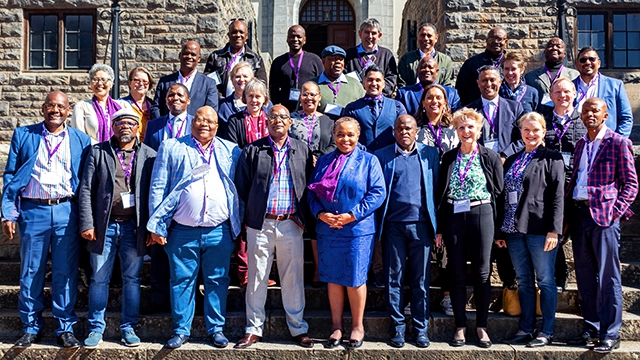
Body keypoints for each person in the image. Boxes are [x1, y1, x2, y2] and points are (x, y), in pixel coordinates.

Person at [146, 106, 242, 349]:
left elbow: (237, 189)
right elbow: (158, 186)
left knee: (218, 279)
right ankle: (181, 330)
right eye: (199, 119)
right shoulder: (172, 147)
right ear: (191, 122)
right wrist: (156, 225)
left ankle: (216, 329)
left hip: (219, 230)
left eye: (210, 121)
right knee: (181, 280)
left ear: (217, 126)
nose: (204, 124)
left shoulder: (230, 150)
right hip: (182, 230)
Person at [2, 91, 92, 348]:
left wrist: (87, 219)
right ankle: (30, 327)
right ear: (43, 108)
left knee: (65, 271)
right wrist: (8, 212)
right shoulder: (24, 134)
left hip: (66, 211)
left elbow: (86, 183)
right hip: (33, 211)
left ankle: (65, 328)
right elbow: (10, 175)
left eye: (60, 106)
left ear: (68, 110)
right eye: (51, 105)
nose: (55, 110)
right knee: (31, 270)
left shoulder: (81, 140)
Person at [234, 105, 315, 349]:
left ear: (290, 122)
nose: (278, 120)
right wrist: (250, 217)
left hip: (291, 222)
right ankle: (253, 328)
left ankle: (298, 328)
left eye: (283, 117)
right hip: (261, 223)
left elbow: (308, 182)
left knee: (293, 278)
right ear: (266, 122)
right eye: (273, 117)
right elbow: (242, 186)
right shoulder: (253, 150)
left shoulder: (301, 148)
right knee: (257, 277)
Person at [78, 108, 156, 348]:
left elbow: (156, 193)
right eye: (120, 123)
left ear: (138, 128)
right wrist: (87, 223)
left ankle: (128, 327)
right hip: (104, 227)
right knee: (99, 279)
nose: (125, 127)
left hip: (135, 228)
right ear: (113, 127)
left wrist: (153, 227)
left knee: (132, 279)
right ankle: (95, 328)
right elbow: (86, 189)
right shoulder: (97, 152)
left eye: (130, 123)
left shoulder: (150, 155)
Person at [565, 98, 638, 354]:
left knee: (608, 275)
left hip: (604, 218)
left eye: (595, 110)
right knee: (585, 276)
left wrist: (615, 213)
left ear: (605, 115)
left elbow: (630, 184)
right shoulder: (581, 144)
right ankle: (592, 327)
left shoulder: (618, 142)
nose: (589, 114)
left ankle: (610, 332)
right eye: (585, 111)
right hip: (579, 215)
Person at [308, 117, 385, 349]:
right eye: (341, 134)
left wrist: (352, 214)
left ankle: (357, 326)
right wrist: (321, 214)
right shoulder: (323, 161)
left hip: (356, 229)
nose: (345, 139)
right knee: (332, 278)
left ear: (358, 136)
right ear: (334, 135)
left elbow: (377, 193)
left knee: (354, 278)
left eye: (350, 134)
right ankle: (336, 326)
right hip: (328, 228)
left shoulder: (369, 161)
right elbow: (311, 193)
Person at [435, 108, 503, 349]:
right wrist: (440, 228)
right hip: (454, 215)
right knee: (456, 272)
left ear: (479, 129)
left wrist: (500, 231)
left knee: (482, 272)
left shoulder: (490, 156)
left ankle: (482, 326)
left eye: (470, 127)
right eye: (461, 127)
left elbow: (499, 193)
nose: (466, 131)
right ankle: (460, 325)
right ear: (456, 131)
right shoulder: (449, 158)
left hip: (481, 213)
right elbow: (440, 194)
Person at [498, 112, 565, 348]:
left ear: (544, 131)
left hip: (540, 230)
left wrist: (554, 231)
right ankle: (526, 328)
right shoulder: (514, 158)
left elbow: (558, 196)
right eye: (526, 130)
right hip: (514, 230)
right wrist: (501, 232)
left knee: (546, 280)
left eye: (536, 129)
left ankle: (546, 331)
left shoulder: (552, 158)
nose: (531, 134)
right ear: (521, 132)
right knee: (524, 281)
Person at [374, 114, 439, 348]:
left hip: (421, 226)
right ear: (394, 130)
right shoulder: (382, 156)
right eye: (400, 128)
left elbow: (437, 189)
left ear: (416, 131)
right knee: (394, 279)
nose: (404, 132)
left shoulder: (430, 154)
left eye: (409, 128)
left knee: (421, 280)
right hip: (393, 226)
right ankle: (398, 328)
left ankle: (421, 329)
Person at [143, 83, 194, 313]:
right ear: (165, 100)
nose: (175, 98)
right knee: (159, 247)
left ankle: (190, 301)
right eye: (171, 94)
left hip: (188, 199)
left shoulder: (197, 124)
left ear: (188, 100)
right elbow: (146, 160)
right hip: (161, 196)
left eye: (180, 95)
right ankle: (159, 299)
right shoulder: (153, 126)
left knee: (186, 252)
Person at [288, 81, 336, 286]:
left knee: (318, 225)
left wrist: (320, 158)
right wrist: (304, 158)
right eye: (305, 94)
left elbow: (335, 144)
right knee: (300, 223)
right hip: (296, 176)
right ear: (300, 97)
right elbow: (285, 142)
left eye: (313, 95)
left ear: (319, 98)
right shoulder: (290, 119)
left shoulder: (328, 122)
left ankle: (319, 269)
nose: (309, 98)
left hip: (322, 178)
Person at [544, 78, 587, 291]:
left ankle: (586, 283)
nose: (563, 96)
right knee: (554, 235)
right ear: (551, 96)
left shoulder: (584, 122)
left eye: (567, 92)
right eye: (558, 92)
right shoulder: (543, 121)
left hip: (575, 188)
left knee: (579, 237)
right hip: (549, 190)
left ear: (574, 94)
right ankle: (559, 275)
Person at [342, 65, 407, 151]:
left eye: (378, 80)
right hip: (362, 157)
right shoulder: (352, 109)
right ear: (363, 83)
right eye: (370, 80)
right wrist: (364, 151)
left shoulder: (397, 107)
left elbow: (403, 131)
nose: (374, 83)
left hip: (390, 158)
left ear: (383, 84)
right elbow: (346, 133)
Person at [572, 46, 633, 138]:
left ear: (599, 63)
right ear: (577, 64)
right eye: (583, 60)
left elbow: (626, 118)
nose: (587, 62)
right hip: (577, 142)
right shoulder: (569, 87)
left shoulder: (615, 85)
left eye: (592, 59)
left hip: (606, 142)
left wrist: (617, 141)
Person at [467, 65, 524, 160]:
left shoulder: (515, 108)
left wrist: (505, 156)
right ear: (478, 83)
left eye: (492, 80)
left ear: (500, 82)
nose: (488, 84)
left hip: (507, 162)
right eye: (484, 80)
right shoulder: (469, 110)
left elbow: (522, 138)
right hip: (478, 162)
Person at [153, 40, 219, 116]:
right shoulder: (165, 82)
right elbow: (156, 107)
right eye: (186, 53)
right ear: (180, 55)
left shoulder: (208, 83)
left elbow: (211, 110)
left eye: (193, 54)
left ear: (199, 58)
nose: (189, 57)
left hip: (195, 127)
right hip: (168, 126)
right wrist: (162, 125)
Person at [204, 19, 268, 97]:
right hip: (221, 104)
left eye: (241, 32)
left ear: (247, 36)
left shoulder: (256, 60)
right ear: (229, 35)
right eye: (234, 32)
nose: (238, 35)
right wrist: (221, 99)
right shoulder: (215, 57)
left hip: (246, 106)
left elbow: (261, 86)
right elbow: (208, 82)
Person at [70, 63, 132, 143]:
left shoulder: (123, 106)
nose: (99, 83)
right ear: (91, 84)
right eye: (95, 79)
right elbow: (79, 136)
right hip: (92, 152)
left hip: (119, 153)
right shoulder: (82, 107)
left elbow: (131, 132)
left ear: (111, 84)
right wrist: (102, 149)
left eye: (103, 79)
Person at [269, 25, 323, 111]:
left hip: (310, 110)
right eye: (292, 36)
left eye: (299, 37)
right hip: (286, 111)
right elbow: (274, 89)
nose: (295, 39)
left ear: (304, 40)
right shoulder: (278, 62)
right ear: (287, 39)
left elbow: (322, 85)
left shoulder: (315, 60)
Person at [344, 18, 398, 97]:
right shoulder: (349, 54)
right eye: (366, 32)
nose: (370, 36)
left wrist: (377, 93)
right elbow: (344, 78)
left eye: (373, 33)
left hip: (380, 100)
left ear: (379, 35)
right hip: (355, 100)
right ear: (360, 33)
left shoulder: (387, 55)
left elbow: (392, 78)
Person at [456, 27, 508, 106]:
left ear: (506, 41)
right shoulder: (472, 63)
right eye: (491, 38)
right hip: (477, 110)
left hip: (504, 109)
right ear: (486, 41)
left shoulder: (510, 63)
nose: (495, 41)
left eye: (499, 39)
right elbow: (461, 90)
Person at [524, 37, 579, 112]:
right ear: (545, 52)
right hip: (540, 119)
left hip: (565, 119)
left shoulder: (575, 75)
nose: (554, 48)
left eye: (558, 46)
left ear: (564, 54)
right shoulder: (530, 76)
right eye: (550, 46)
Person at [218, 62, 273, 136]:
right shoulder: (223, 105)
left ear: (252, 78)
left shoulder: (266, 104)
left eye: (245, 76)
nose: (241, 79)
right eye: (237, 76)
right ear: (232, 79)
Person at [311, 45, 365, 120]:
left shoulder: (355, 84)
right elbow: (302, 112)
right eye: (333, 59)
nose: (338, 62)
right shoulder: (312, 85)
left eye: (341, 59)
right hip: (321, 129)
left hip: (347, 129)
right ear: (323, 61)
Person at [396, 56, 461, 116]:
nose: (427, 69)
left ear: (437, 71)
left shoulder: (451, 94)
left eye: (430, 67)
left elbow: (457, 119)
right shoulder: (404, 94)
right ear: (417, 71)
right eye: (423, 67)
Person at [397, 22, 454, 87]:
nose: (426, 38)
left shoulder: (446, 61)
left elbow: (448, 86)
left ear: (436, 38)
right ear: (418, 37)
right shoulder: (407, 59)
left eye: (429, 35)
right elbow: (401, 84)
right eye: (422, 35)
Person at [226, 79, 272, 150]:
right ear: (245, 97)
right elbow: (232, 148)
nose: (254, 100)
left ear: (264, 99)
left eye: (257, 96)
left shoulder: (271, 120)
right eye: (250, 96)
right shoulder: (234, 121)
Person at [414, 84, 459, 155]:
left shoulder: (454, 128)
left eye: (439, 97)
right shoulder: (415, 128)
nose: (434, 101)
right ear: (423, 102)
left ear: (445, 102)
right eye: (429, 97)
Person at [119, 66, 160, 142]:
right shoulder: (120, 104)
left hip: (151, 148)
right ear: (129, 83)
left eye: (145, 81)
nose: (141, 83)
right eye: (136, 80)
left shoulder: (155, 106)